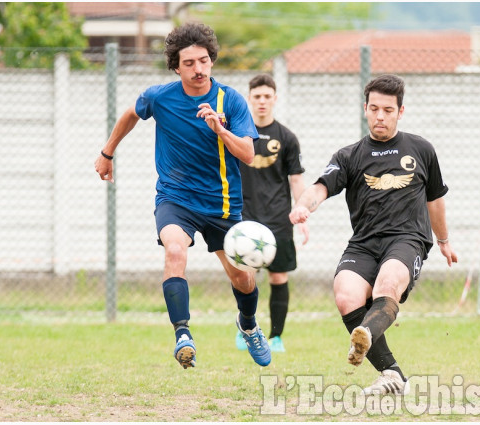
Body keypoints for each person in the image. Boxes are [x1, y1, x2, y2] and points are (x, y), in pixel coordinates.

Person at [94, 23, 271, 369]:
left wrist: (220, 130)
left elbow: (248, 154)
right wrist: (107, 152)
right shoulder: (160, 97)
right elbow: (132, 113)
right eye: (189, 63)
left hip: (222, 205)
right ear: (176, 67)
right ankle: (182, 335)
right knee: (175, 250)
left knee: (242, 278)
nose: (199, 69)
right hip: (175, 198)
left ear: (212, 61)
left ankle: (248, 324)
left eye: (204, 61)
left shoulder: (230, 100)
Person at [289, 74, 457, 394]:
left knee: (387, 283)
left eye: (388, 110)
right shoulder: (349, 155)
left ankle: (363, 333)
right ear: (365, 109)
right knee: (345, 294)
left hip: (408, 239)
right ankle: (392, 374)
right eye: (375, 108)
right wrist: (304, 207)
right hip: (365, 242)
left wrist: (444, 241)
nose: (381, 116)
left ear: (401, 111)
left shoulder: (421, 149)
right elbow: (321, 187)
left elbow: (435, 200)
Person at [234, 74, 309, 353]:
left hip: (278, 219)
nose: (262, 101)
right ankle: (247, 330)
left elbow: (296, 180)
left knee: (278, 277)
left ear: (275, 99)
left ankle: (276, 337)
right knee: (244, 278)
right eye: (257, 97)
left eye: (267, 96)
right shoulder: (238, 134)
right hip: (244, 217)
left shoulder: (287, 138)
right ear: (249, 99)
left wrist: (301, 213)